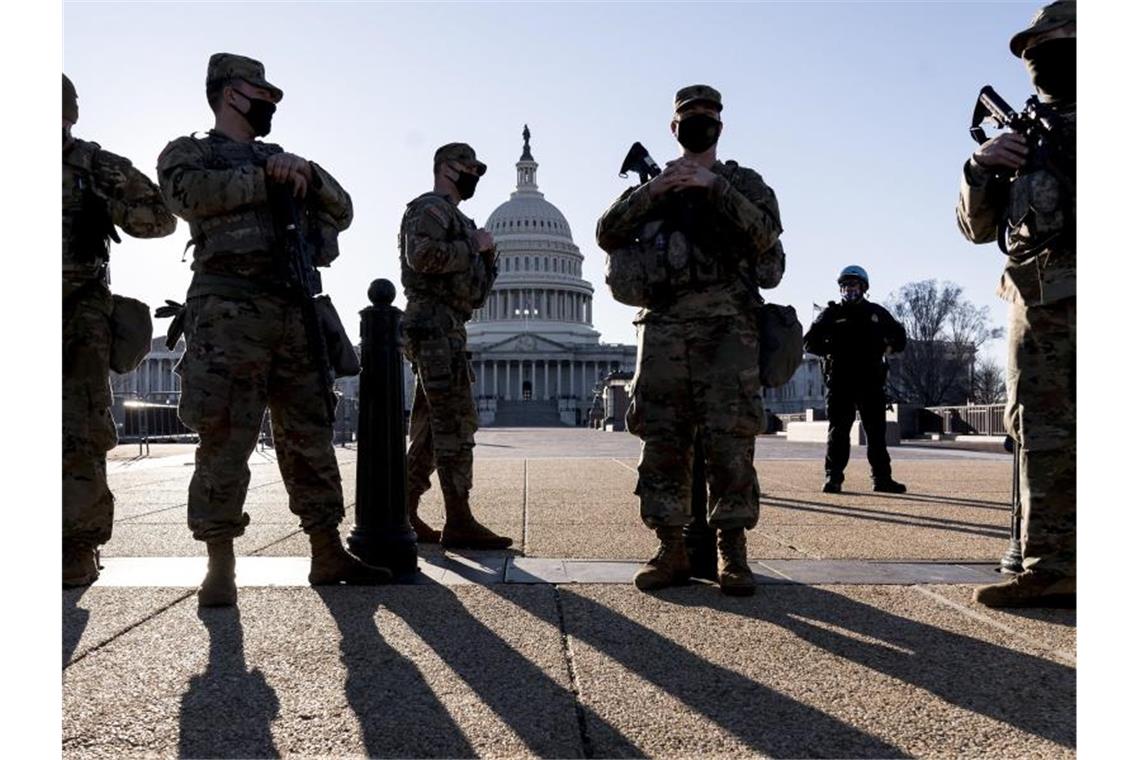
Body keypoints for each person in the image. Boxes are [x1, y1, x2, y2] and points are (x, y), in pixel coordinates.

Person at [156, 53, 390, 607]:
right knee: (224, 437)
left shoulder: (285, 159)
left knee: (310, 435)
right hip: (226, 314)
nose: (269, 104)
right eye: (261, 93)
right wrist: (262, 177)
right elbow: (185, 196)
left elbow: (345, 209)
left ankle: (326, 548)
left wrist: (305, 171)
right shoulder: (191, 153)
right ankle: (220, 561)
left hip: (293, 311)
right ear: (229, 93)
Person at [596, 85, 784, 596]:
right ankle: (669, 547)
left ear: (720, 127)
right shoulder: (654, 184)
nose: (699, 124)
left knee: (730, 440)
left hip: (728, 326)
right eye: (689, 117)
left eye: (708, 116)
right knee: (662, 440)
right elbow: (606, 231)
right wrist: (655, 192)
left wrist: (714, 188)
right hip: (663, 325)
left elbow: (768, 235)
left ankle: (733, 552)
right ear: (673, 128)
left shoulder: (743, 182)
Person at [956, 1, 1076, 608]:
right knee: (1042, 432)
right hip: (1041, 304)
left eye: (1057, 40)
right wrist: (979, 169)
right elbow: (977, 230)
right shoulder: (1019, 139)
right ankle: (1049, 566)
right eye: (1034, 47)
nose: (1041, 54)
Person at [62, 74, 177, 587]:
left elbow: (160, 219)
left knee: (80, 428)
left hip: (78, 309)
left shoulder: (95, 166)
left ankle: (75, 547)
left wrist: (109, 205)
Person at [399, 143, 512, 550]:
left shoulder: (462, 220)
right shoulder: (429, 210)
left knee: (432, 429)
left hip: (449, 325)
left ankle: (404, 510)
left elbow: (476, 294)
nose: (475, 175)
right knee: (455, 424)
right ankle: (458, 518)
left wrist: (488, 258)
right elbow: (422, 257)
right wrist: (474, 249)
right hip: (432, 324)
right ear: (447, 168)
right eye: (469, 167)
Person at [803, 266, 908, 495]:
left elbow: (900, 336)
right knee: (838, 432)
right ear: (841, 288)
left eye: (854, 285)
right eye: (846, 285)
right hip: (840, 382)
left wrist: (889, 347)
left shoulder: (876, 313)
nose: (850, 289)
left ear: (863, 288)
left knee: (876, 433)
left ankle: (882, 479)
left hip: (871, 382)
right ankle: (833, 478)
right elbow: (809, 342)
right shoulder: (831, 314)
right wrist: (831, 349)